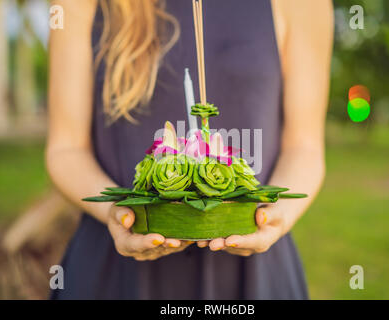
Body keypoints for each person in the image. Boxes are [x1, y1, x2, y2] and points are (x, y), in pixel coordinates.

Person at [47, 0, 333, 299]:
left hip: (254, 275)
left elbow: (305, 147)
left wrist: (278, 214)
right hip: (113, 272)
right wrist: (114, 213)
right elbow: (65, 149)